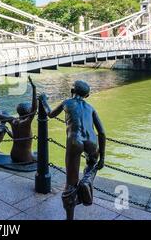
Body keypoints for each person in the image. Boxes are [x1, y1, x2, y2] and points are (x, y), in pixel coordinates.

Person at [40, 80, 106, 220]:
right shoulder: (91, 108)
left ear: (72, 91)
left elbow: (50, 114)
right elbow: (102, 133)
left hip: (75, 141)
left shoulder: (67, 103)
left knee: (70, 184)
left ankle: (69, 218)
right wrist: (103, 158)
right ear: (87, 95)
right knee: (92, 165)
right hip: (92, 142)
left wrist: (44, 100)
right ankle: (87, 181)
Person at [0, 77, 38, 164]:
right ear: (28, 113)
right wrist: (34, 89)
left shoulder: (13, 121)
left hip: (13, 155)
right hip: (24, 157)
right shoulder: (26, 123)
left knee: (34, 152)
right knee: (39, 154)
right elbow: (34, 109)